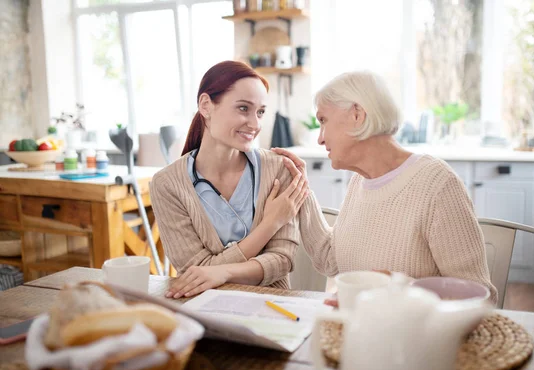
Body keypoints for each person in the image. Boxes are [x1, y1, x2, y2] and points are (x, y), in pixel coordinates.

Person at [274, 70, 498, 304]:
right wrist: (301, 190)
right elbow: (333, 260)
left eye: (323, 121)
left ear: (357, 115)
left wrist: (399, 288)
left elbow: (482, 298)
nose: (320, 138)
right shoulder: (360, 181)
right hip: (367, 330)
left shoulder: (437, 185)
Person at [151, 61, 308, 299]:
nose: (255, 124)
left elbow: (282, 260)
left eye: (260, 112)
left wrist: (221, 272)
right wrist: (270, 224)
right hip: (204, 309)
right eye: (243, 108)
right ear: (206, 105)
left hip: (271, 308)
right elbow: (194, 271)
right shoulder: (167, 184)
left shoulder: (278, 168)